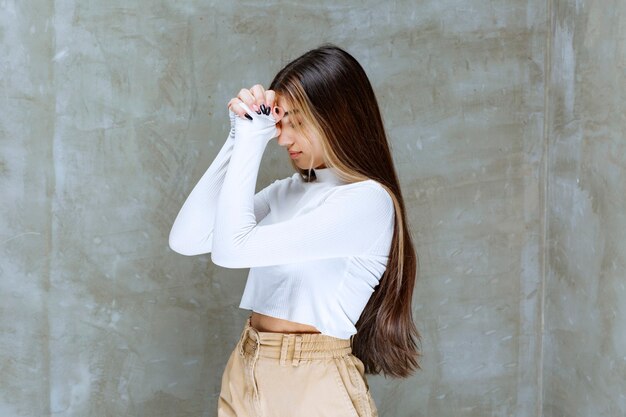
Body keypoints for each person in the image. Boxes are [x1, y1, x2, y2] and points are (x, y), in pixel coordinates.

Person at [168, 44, 421, 417]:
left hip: (313, 385)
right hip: (248, 366)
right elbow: (187, 239)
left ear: (339, 118)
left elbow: (231, 250)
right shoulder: (291, 190)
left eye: (297, 121)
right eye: (280, 120)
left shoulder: (368, 201)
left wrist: (252, 143)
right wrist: (238, 137)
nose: (283, 137)